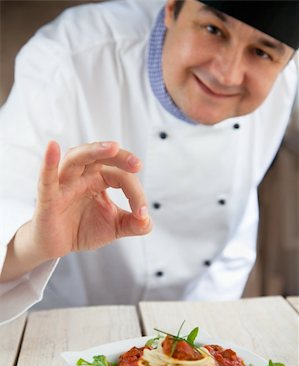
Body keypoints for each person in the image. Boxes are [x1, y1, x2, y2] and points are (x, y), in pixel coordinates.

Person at [0, 0, 298, 324]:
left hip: (203, 311)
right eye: (213, 30)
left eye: (262, 52)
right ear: (171, 9)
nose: (226, 74)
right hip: (59, 321)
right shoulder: (68, 56)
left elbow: (242, 201)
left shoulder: (284, 83)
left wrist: (208, 325)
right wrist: (36, 243)